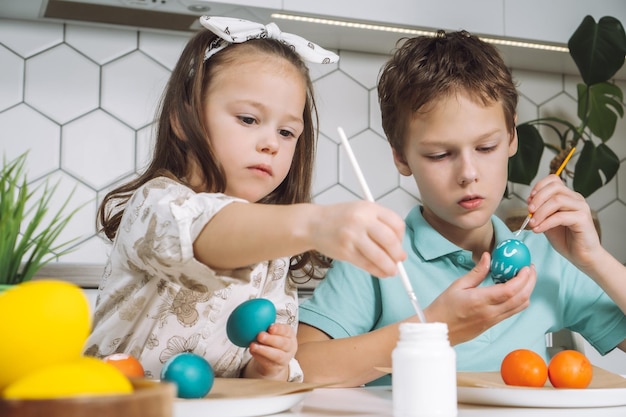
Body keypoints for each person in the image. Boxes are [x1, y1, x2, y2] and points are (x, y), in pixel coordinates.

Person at [83, 16, 408, 382]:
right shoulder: (156, 203)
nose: (271, 142)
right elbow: (206, 232)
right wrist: (315, 223)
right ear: (181, 118)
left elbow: (253, 377)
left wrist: (270, 365)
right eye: (249, 119)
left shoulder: (274, 250)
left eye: (287, 132)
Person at [296, 30, 626, 387]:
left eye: (486, 148)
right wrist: (436, 327)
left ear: (512, 137)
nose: (468, 174)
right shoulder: (380, 254)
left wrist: (595, 260)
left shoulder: (546, 258)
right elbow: (300, 369)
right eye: (440, 155)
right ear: (400, 156)